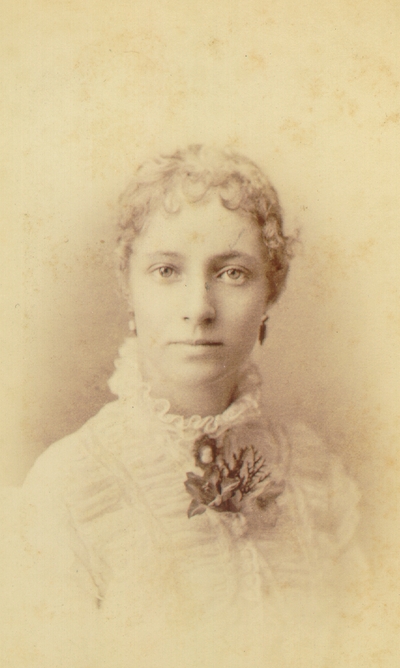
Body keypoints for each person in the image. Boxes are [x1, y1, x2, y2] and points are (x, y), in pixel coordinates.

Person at [0, 146, 364, 668]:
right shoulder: (66, 492)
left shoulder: (314, 475)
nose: (199, 308)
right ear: (129, 290)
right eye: (167, 270)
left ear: (271, 292)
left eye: (233, 273)